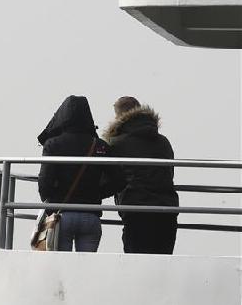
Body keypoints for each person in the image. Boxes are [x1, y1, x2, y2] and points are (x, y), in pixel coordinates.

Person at [37, 95, 122, 252]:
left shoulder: (53, 144)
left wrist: (51, 203)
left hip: (61, 215)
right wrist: (98, 193)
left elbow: (44, 183)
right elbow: (118, 179)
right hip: (91, 216)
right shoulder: (100, 146)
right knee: (86, 269)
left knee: (62, 268)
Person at [103, 96, 179, 254]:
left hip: (136, 211)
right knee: (162, 267)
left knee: (137, 266)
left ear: (119, 116)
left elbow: (111, 178)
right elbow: (169, 172)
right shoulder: (163, 142)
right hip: (167, 210)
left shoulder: (117, 143)